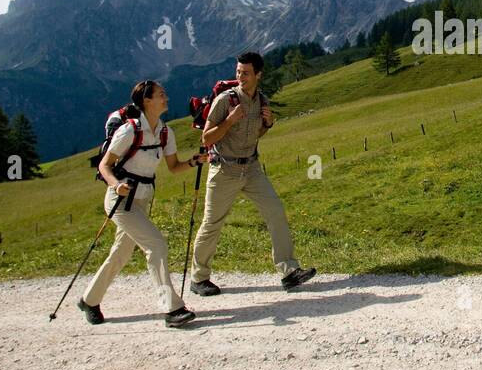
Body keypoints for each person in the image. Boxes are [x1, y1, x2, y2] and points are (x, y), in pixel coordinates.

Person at [79, 80, 208, 328]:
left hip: (143, 199)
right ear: (146, 101)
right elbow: (104, 165)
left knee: (121, 253)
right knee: (156, 245)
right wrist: (117, 185)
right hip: (120, 201)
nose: (166, 97)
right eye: (161, 95)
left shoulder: (165, 132)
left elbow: (173, 167)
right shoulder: (129, 131)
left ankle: (89, 300)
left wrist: (193, 162)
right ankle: (172, 309)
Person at [188, 51, 316, 296]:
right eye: (238, 72)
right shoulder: (226, 101)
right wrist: (229, 121)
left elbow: (255, 135)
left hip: (252, 169)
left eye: (245, 73)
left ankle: (289, 271)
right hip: (224, 169)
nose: (240, 77)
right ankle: (199, 278)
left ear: (258, 75)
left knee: (275, 211)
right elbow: (206, 138)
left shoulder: (262, 101)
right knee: (212, 223)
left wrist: (267, 125)